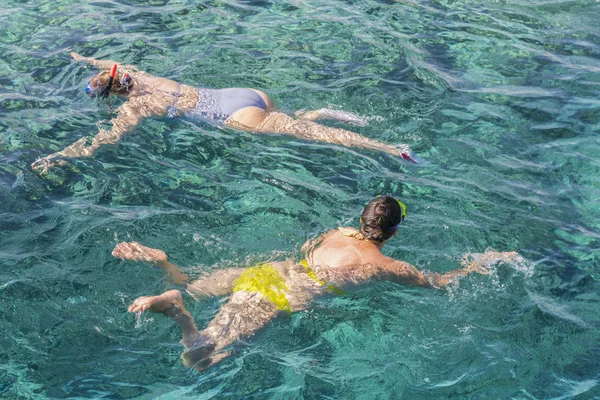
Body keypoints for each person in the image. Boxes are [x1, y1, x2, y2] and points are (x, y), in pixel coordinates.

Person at [112, 196, 523, 371]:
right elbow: (439, 283)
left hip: (268, 270)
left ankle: (168, 269)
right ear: (393, 234)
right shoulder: (387, 265)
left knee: (198, 287)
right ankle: (176, 312)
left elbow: (307, 248)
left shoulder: (337, 231)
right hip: (283, 294)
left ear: (361, 220)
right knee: (200, 357)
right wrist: (483, 264)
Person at [31, 52, 417, 172]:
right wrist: (81, 56)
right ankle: (318, 111)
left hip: (235, 118)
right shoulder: (141, 77)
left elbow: (103, 140)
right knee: (297, 122)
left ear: (114, 96)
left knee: (311, 136)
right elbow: (108, 61)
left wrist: (60, 156)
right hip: (246, 94)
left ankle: (387, 148)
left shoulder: (136, 108)